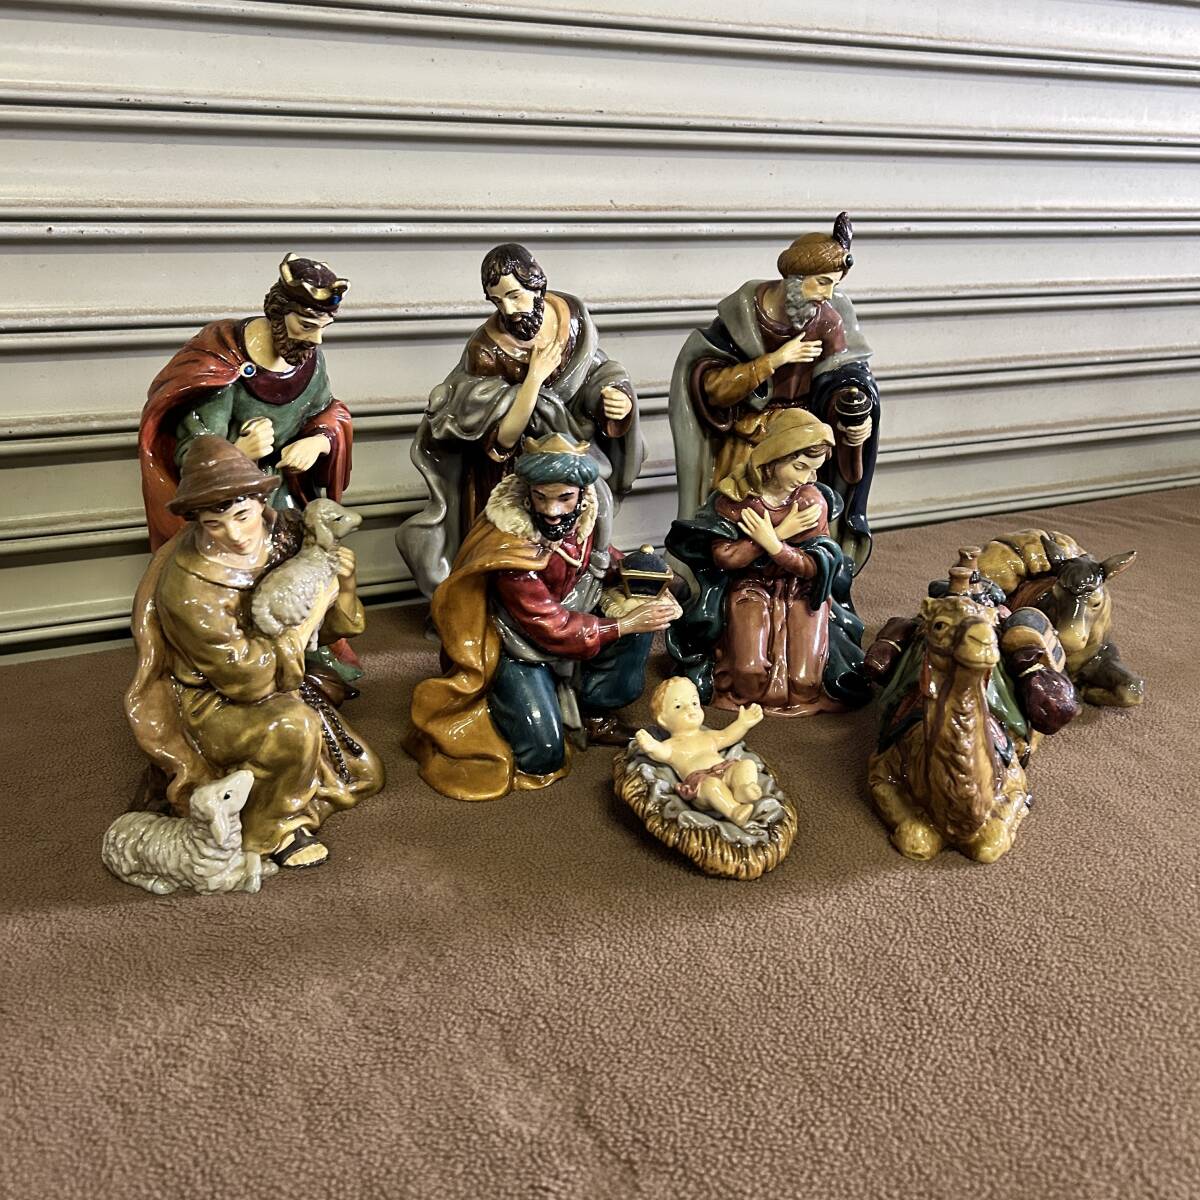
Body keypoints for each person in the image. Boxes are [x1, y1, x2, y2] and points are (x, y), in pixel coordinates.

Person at [125, 436, 383, 869]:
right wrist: (306, 621)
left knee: (362, 773)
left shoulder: (290, 535)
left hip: (283, 675)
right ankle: (272, 831)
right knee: (295, 726)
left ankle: (284, 783)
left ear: (261, 501)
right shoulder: (190, 588)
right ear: (197, 521)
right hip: (218, 698)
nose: (236, 534)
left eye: (243, 516)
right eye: (214, 524)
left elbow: (334, 628)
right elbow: (245, 679)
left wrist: (344, 586)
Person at [406, 434, 678, 801]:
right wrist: (623, 624)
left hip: (576, 614)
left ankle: (595, 710)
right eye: (541, 497)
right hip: (519, 643)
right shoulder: (512, 546)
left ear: (581, 495)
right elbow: (549, 625)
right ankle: (510, 706)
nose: (552, 510)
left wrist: (642, 581)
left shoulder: (587, 518)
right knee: (542, 755)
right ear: (527, 494)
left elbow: (600, 560)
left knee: (641, 618)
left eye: (564, 497)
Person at [397, 243, 645, 597]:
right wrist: (534, 379)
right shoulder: (486, 350)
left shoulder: (571, 320)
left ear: (537, 284)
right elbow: (504, 438)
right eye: (498, 301)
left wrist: (616, 395)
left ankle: (586, 576)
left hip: (571, 452)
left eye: (515, 295)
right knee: (524, 539)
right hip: (515, 467)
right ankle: (522, 597)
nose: (509, 310)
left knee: (596, 503)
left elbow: (597, 370)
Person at [669, 213, 879, 571]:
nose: (828, 295)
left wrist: (853, 418)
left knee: (806, 516)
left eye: (834, 285)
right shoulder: (741, 320)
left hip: (801, 437)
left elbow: (843, 377)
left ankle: (800, 582)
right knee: (736, 518)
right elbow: (712, 389)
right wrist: (775, 360)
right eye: (822, 283)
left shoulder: (827, 319)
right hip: (749, 441)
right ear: (795, 279)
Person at [139, 253, 353, 551]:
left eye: (323, 327)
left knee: (303, 551)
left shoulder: (307, 358)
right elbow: (194, 449)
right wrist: (239, 453)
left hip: (284, 491)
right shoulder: (223, 363)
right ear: (278, 314)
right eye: (306, 325)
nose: (317, 340)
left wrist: (318, 441)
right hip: (232, 503)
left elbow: (327, 410)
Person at [666, 409, 871, 717]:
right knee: (748, 676)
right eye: (800, 467)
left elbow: (816, 565)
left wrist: (774, 544)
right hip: (750, 587)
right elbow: (726, 558)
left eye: (814, 470)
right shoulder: (737, 499)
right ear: (773, 458)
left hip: (801, 590)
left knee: (805, 682)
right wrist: (778, 533)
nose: (807, 478)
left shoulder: (810, 501)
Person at [865, 548, 1080, 762]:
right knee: (904, 692)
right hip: (934, 652)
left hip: (983, 659)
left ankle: (1011, 739)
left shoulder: (995, 623)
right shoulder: (927, 625)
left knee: (1003, 699)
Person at [635, 677, 765, 827]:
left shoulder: (708, 736)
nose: (690, 709)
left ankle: (742, 789)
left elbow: (727, 735)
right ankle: (734, 810)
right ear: (663, 720)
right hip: (701, 782)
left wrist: (742, 724)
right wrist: (651, 745)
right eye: (678, 706)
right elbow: (661, 752)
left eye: (694, 703)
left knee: (747, 764)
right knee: (712, 786)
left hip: (724, 769)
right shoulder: (671, 745)